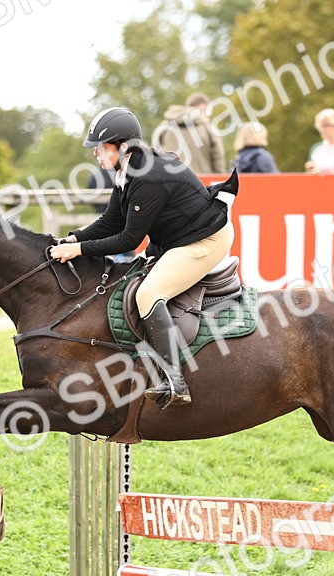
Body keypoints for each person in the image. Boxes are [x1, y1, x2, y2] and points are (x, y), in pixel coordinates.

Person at [48, 107, 237, 409]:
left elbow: (129, 239)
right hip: (179, 238)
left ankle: (175, 380)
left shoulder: (147, 175)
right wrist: (74, 238)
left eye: (100, 147)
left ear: (121, 146)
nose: (96, 154)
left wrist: (79, 251)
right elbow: (111, 221)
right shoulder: (127, 170)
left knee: (149, 294)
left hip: (205, 239)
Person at [151, 93, 225, 174]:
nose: (208, 115)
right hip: (202, 181)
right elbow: (218, 159)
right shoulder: (208, 128)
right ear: (202, 107)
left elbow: (154, 156)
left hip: (170, 180)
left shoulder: (164, 127)